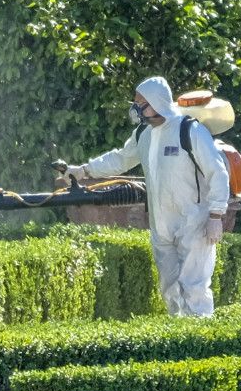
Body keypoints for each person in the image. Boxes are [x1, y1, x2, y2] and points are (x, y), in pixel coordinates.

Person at [59, 76, 230, 317]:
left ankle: (201, 340)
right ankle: (179, 343)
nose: (136, 108)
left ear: (158, 103)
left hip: (195, 223)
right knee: (169, 288)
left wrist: (216, 215)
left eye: (142, 103)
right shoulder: (143, 134)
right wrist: (84, 170)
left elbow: (217, 172)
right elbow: (120, 159)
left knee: (195, 288)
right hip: (161, 225)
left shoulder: (188, 130)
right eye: (136, 102)